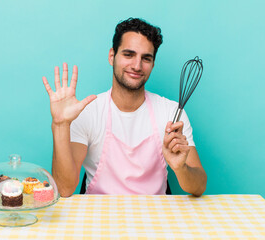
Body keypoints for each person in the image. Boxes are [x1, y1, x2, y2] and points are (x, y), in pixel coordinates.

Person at [42, 18, 207, 197]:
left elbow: (199, 187)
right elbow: (64, 189)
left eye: (146, 58)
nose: (137, 66)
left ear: (153, 64)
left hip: (155, 217)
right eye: (128, 54)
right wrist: (60, 124)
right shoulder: (89, 112)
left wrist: (180, 167)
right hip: (99, 215)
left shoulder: (172, 112)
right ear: (112, 56)